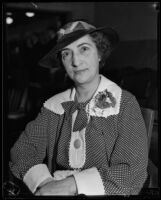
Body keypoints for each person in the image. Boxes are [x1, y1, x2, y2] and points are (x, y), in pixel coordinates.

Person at [9, 20, 148, 196]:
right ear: (62, 62)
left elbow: (132, 171)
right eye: (66, 53)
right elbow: (22, 151)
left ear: (99, 53)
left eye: (84, 49)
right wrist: (46, 183)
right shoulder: (54, 106)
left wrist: (71, 185)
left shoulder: (124, 103)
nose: (75, 61)